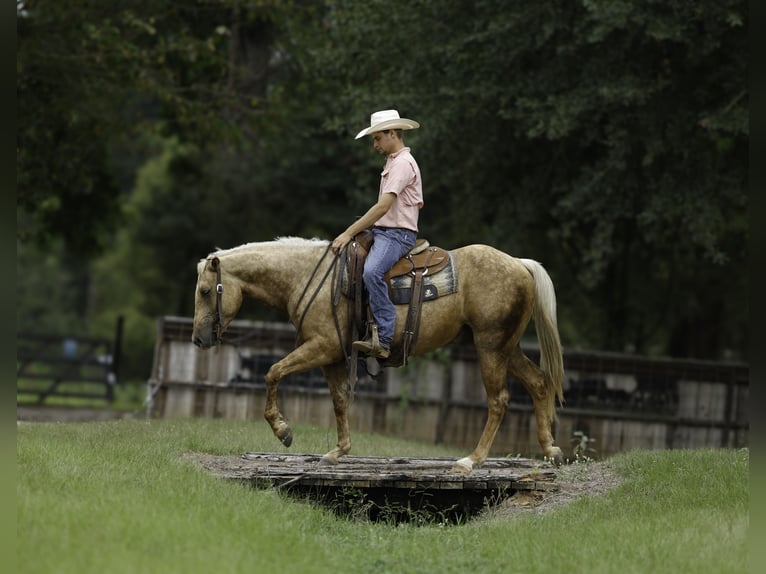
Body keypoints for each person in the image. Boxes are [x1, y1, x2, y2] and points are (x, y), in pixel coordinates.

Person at [331, 109, 423, 359]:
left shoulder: (403, 164)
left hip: (397, 235)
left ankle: (384, 338)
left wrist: (348, 233)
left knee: (372, 271)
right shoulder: (394, 161)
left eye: (377, 138)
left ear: (392, 133)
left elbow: (384, 206)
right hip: (385, 232)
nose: (375, 145)